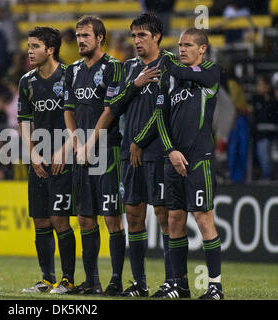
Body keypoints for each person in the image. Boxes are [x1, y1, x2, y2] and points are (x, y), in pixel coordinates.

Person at [85, 13, 173, 297]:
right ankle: (139, 283)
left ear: (156, 36)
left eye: (142, 36)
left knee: (163, 216)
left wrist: (140, 140)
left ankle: (173, 281)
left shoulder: (169, 64)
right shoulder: (128, 67)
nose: (136, 41)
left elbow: (166, 112)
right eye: (134, 36)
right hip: (128, 154)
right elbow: (115, 106)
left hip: (158, 152)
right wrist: (134, 85)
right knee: (134, 216)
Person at [134, 28, 224, 299]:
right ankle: (178, 284)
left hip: (199, 159)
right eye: (179, 45)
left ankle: (215, 287)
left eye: (188, 45)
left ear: (202, 49)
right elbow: (160, 117)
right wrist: (170, 150)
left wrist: (168, 64)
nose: (181, 49)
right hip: (173, 160)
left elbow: (183, 72)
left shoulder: (210, 72)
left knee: (204, 219)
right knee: (174, 219)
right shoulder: (170, 79)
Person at [63, 16, 126, 296]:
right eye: (78, 35)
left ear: (100, 38)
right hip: (82, 151)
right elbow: (68, 109)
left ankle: (116, 280)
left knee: (112, 217)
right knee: (85, 218)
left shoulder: (113, 67)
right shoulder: (72, 70)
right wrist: (77, 142)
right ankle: (91, 280)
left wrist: (90, 144)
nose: (80, 40)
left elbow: (110, 110)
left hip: (107, 150)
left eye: (86, 35)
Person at [17, 26, 76, 294]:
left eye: (35, 47)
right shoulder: (26, 81)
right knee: (40, 220)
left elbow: (76, 119)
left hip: (63, 160)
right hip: (38, 160)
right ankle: (47, 279)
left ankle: (68, 279)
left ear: (50, 50)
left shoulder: (69, 77)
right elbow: (24, 122)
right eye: (29, 46)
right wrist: (32, 155)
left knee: (59, 219)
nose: (29, 51)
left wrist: (65, 150)